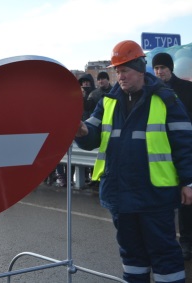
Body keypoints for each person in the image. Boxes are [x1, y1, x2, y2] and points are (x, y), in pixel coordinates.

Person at [75, 40, 192, 283]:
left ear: (140, 69)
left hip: (155, 196)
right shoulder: (108, 101)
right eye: (117, 71)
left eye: (124, 70)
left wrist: (189, 181)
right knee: (131, 257)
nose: (120, 76)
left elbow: (184, 143)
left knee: (165, 256)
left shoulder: (166, 98)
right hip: (121, 195)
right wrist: (82, 131)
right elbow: (93, 132)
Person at [153, 52, 192, 261]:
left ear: (171, 68)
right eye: (157, 68)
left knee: (187, 199)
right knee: (167, 200)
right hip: (161, 154)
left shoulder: (187, 89)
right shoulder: (152, 92)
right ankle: (169, 242)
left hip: (185, 150)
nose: (160, 72)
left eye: (163, 68)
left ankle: (186, 241)